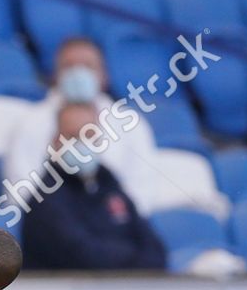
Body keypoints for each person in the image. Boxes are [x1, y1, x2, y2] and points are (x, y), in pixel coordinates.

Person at [2, 36, 161, 215]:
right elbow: (20, 191)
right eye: (68, 66)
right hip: (50, 222)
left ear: (104, 75)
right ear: (54, 75)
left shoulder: (131, 123)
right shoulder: (30, 123)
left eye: (88, 66)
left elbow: (142, 189)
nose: (78, 74)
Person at [21, 104, 167, 272]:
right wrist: (134, 257)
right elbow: (85, 257)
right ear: (55, 142)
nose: (82, 143)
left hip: (127, 285)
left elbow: (155, 250)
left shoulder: (108, 183)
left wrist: (129, 258)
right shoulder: (45, 199)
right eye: (72, 136)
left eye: (89, 135)